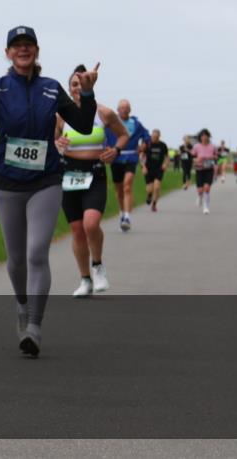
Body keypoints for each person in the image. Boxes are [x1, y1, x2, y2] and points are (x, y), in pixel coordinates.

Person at [0, 26, 98, 357]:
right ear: (7, 53)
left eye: (28, 45)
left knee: (36, 253)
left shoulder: (51, 89)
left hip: (45, 181)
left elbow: (83, 125)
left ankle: (34, 325)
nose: (23, 50)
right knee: (16, 259)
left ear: (36, 50)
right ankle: (22, 304)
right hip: (7, 182)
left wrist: (88, 94)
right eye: (16, 46)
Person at [53, 66, 128, 298]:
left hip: (95, 172)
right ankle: (85, 280)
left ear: (89, 85)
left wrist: (115, 150)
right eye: (74, 84)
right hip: (69, 174)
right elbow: (51, 140)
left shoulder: (103, 113)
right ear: (69, 88)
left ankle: (98, 266)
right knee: (76, 230)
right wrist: (57, 144)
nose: (77, 88)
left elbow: (124, 134)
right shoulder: (60, 115)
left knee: (91, 224)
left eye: (81, 83)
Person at [104, 99, 151, 232]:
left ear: (130, 110)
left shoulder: (136, 123)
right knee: (119, 189)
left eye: (126, 108)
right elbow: (103, 137)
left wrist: (143, 145)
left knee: (127, 185)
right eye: (121, 108)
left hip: (131, 156)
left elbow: (146, 136)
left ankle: (127, 217)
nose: (124, 110)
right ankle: (122, 211)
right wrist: (106, 149)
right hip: (116, 157)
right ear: (117, 110)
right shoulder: (111, 123)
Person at [191, 129, 219, 214]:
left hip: (209, 169)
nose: (204, 137)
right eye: (202, 136)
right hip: (199, 169)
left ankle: (206, 207)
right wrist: (196, 159)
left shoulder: (213, 146)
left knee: (207, 188)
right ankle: (199, 196)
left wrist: (214, 158)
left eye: (206, 135)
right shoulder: (196, 146)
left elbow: (217, 157)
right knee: (200, 190)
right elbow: (192, 157)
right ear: (200, 137)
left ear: (208, 136)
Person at [142, 129, 169, 212]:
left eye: (156, 137)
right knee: (149, 189)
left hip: (159, 169)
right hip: (148, 169)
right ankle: (149, 195)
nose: (154, 138)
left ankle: (154, 204)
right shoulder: (147, 144)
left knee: (157, 187)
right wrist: (143, 166)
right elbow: (142, 156)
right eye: (153, 136)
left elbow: (167, 157)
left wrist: (165, 164)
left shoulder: (163, 145)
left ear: (159, 137)